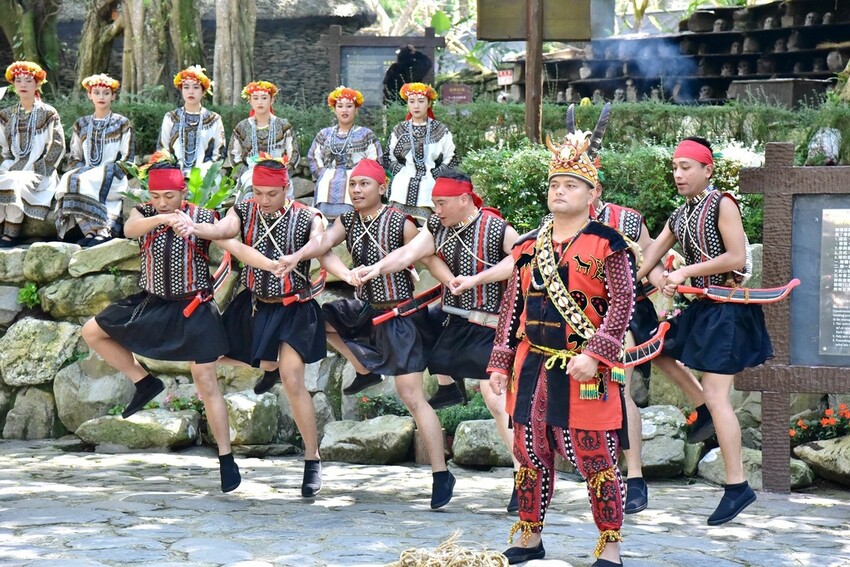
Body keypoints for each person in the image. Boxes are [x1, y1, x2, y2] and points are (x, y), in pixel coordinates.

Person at [488, 127, 635, 566]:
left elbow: (623, 303)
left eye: (570, 185)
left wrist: (597, 354)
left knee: (594, 454)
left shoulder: (608, 243)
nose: (559, 191)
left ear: (592, 193)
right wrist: (499, 362)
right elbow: (511, 307)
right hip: (531, 364)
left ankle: (611, 546)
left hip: (585, 367)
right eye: (554, 184)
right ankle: (530, 538)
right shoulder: (528, 247)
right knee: (529, 450)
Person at [275, 158, 456, 509]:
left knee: (410, 395)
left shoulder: (399, 222)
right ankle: (364, 369)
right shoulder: (349, 220)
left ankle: (440, 472)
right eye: (353, 184)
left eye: (364, 185)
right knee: (325, 317)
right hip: (367, 311)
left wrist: (448, 280)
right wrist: (306, 259)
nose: (356, 190)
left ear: (382, 187)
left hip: (401, 317)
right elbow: (323, 245)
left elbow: (427, 252)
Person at [569, 104, 714, 515]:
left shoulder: (626, 219)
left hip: (626, 311)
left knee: (624, 385)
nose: (568, 188)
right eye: (562, 181)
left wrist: (665, 283)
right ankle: (702, 413)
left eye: (577, 182)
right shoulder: (561, 222)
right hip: (581, 317)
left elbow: (649, 262)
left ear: (594, 187)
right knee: (626, 379)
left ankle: (634, 477)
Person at [355, 170, 522, 512]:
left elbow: (521, 257)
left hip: (490, 324)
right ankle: (447, 385)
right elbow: (408, 254)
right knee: (409, 331)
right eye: (434, 203)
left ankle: (524, 478)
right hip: (451, 319)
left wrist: (478, 278)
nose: (437, 209)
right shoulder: (438, 227)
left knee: (494, 397)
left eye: (442, 203)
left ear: (464, 200)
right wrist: (375, 270)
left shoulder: (496, 228)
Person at [80, 158, 241, 493]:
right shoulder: (144, 212)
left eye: (169, 195)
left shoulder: (200, 215)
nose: (162, 201)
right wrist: (164, 217)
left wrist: (198, 229)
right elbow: (129, 229)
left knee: (205, 380)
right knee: (92, 331)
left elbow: (229, 235)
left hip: (193, 306)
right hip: (151, 302)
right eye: (156, 195)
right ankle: (144, 382)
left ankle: (226, 458)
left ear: (182, 190)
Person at [640, 136, 772, 526]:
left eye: (686, 167)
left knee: (719, 395)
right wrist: (640, 278)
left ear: (707, 170)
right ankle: (702, 408)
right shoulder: (681, 214)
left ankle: (737, 486)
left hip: (729, 309)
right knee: (659, 349)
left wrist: (684, 271)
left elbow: (736, 257)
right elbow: (652, 254)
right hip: (703, 307)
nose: (678, 174)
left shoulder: (723, 203)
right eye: (675, 167)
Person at [177, 158, 327, 498]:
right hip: (254, 305)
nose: (264, 199)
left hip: (295, 309)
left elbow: (320, 244)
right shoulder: (245, 210)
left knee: (292, 379)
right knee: (205, 361)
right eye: (258, 192)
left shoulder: (308, 216)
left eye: (271, 193)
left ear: (286, 188)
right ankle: (227, 458)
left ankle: (312, 458)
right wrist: (198, 228)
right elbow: (225, 229)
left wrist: (299, 254)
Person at [55, 73, 134, 246]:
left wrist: (111, 171)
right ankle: (90, 230)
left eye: (106, 93)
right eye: (96, 92)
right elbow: (75, 156)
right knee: (69, 179)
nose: (101, 97)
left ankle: (104, 230)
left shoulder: (122, 123)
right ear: (89, 95)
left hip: (112, 176)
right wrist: (83, 169)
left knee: (85, 181)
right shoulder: (81, 124)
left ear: (113, 96)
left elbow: (128, 157)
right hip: (87, 173)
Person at [0, 61, 65, 247]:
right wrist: (8, 163)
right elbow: (4, 148)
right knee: (9, 177)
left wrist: (40, 167)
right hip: (13, 166)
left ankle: (11, 233)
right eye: (18, 80)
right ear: (13, 84)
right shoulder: (6, 114)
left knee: (16, 181)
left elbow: (57, 146)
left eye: (28, 80)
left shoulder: (48, 113)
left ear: (37, 84)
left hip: (40, 169)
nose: (22, 85)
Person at [385, 82, 458, 224]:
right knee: (397, 225)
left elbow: (452, 156)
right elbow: (389, 156)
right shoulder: (399, 129)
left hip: (429, 184)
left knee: (425, 229)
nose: (416, 106)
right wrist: (401, 171)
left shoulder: (440, 129)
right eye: (412, 102)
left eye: (421, 101)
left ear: (429, 103)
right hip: (402, 184)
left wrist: (435, 174)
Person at [308, 86, 382, 219]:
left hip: (356, 180)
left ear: (356, 109)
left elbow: (375, 159)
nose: (344, 110)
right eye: (340, 106)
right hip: (328, 180)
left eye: (349, 106)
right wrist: (323, 173)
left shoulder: (366, 134)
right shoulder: (325, 134)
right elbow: (314, 155)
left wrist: (362, 177)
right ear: (334, 109)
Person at [229, 80, 299, 201]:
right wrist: (243, 171)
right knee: (250, 188)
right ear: (250, 101)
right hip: (251, 172)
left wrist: (283, 170)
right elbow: (234, 153)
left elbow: (294, 152)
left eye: (264, 98)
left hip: (277, 172)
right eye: (255, 98)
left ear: (272, 100)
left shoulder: (283, 125)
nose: (260, 102)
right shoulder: (242, 126)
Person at [159, 65, 225, 178]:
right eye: (186, 87)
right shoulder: (170, 118)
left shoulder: (214, 119)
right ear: (181, 90)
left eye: (195, 87)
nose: (191, 92)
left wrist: (206, 170)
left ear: (203, 91)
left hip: (204, 177)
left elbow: (219, 153)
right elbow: (162, 149)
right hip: (174, 175)